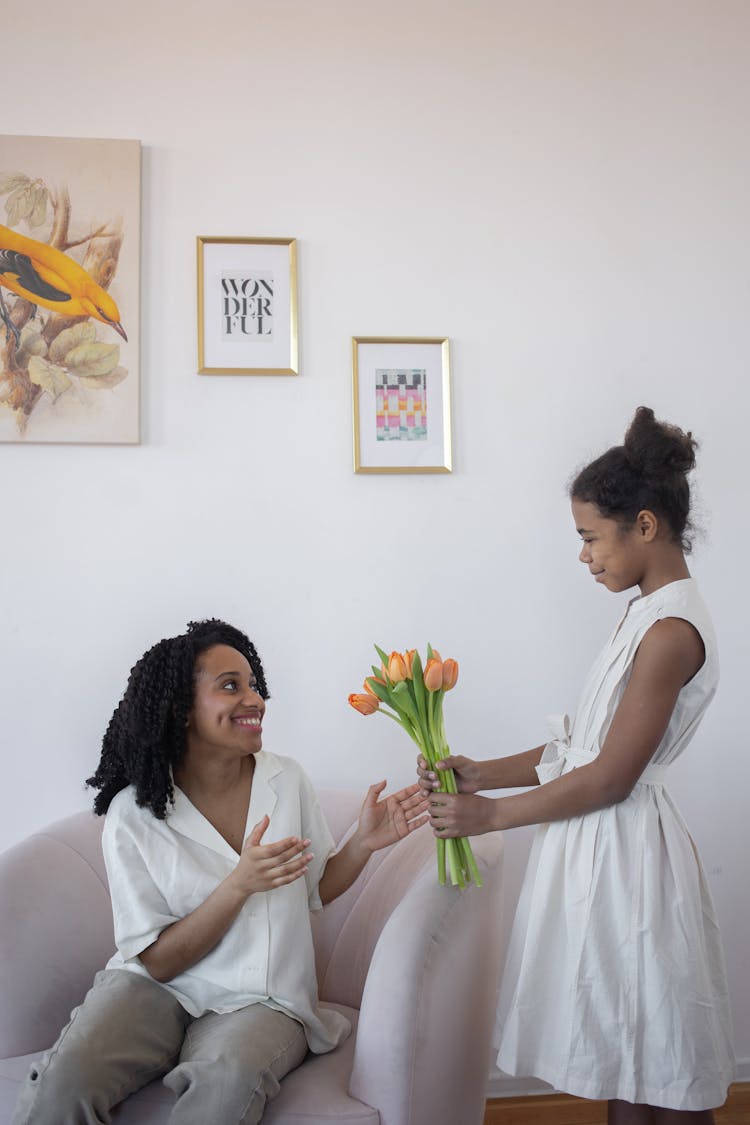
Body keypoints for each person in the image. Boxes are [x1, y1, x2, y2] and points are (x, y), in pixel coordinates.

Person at [419, 407, 735, 1125]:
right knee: (629, 1053)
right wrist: (481, 774)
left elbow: (610, 776)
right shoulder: (644, 614)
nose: (585, 556)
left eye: (592, 537)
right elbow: (584, 749)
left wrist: (490, 816)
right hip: (604, 852)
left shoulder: (672, 630)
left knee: (666, 1059)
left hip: (631, 860)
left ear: (645, 525)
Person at [14, 618, 429, 1125]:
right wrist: (239, 885)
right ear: (180, 708)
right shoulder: (133, 813)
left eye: (254, 685)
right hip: (155, 988)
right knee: (67, 1082)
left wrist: (364, 842)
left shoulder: (286, 780)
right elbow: (159, 963)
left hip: (263, 997)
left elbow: (314, 886)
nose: (254, 699)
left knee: (225, 1081)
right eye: (231, 686)